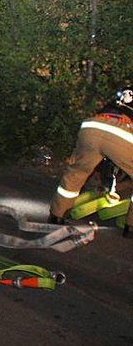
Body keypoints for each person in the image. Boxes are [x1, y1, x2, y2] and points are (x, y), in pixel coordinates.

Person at [49, 86, 133, 237]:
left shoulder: (121, 95)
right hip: (124, 133)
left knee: (76, 172)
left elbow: (106, 147)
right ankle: (131, 228)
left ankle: (56, 216)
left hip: (92, 126)